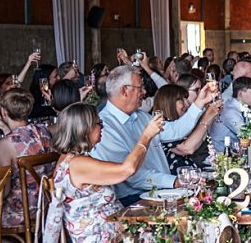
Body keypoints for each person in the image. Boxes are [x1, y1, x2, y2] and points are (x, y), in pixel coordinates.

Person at [51, 103, 164, 243]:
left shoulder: (72, 160)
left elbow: (130, 169)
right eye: (99, 123)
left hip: (111, 230)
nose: (102, 127)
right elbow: (126, 170)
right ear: (85, 129)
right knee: (165, 236)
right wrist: (146, 136)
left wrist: (147, 139)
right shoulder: (76, 164)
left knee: (160, 229)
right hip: (99, 241)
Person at [90, 65, 217, 204]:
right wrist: (174, 182)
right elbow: (132, 175)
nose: (144, 92)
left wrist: (200, 102)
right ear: (124, 90)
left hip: (161, 191)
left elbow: (175, 130)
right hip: (133, 200)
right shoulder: (104, 126)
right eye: (140, 87)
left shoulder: (140, 116)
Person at [0, 90, 53, 231]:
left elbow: (3, 190)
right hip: (46, 206)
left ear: (4, 112)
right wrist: (4, 128)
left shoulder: (4, 144)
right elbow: (22, 142)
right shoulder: (44, 132)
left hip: (22, 212)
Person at [151, 84, 220, 174]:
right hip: (175, 181)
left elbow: (195, 144)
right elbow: (187, 148)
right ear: (169, 102)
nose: (187, 104)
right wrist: (206, 118)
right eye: (181, 100)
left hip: (188, 174)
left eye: (186, 99)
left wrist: (208, 115)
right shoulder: (160, 125)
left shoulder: (178, 124)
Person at [209, 76, 251, 152]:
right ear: (240, 93)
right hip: (220, 156)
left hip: (234, 152)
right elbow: (247, 134)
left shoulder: (243, 107)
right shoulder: (230, 111)